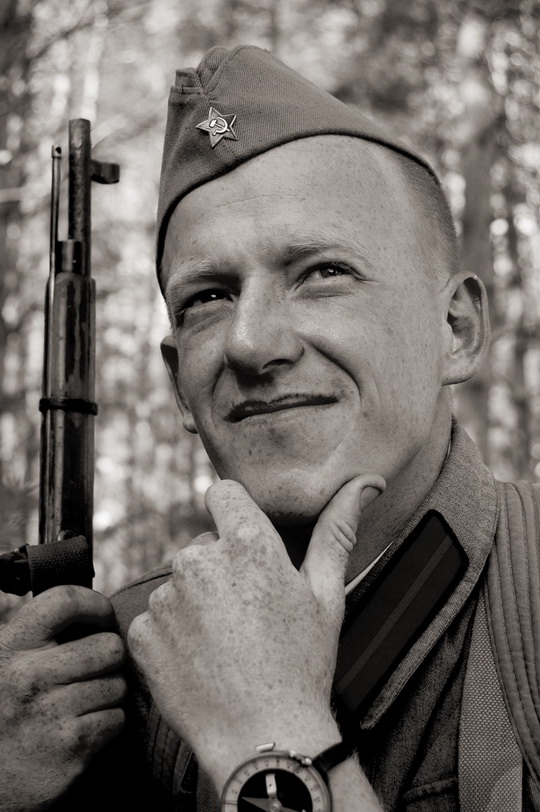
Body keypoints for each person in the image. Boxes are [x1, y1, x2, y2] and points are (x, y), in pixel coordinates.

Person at [1, 44, 538, 812]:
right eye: (208, 298)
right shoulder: (112, 672)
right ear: (177, 383)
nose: (251, 343)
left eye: (322, 273)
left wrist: (271, 731)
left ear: (455, 328)